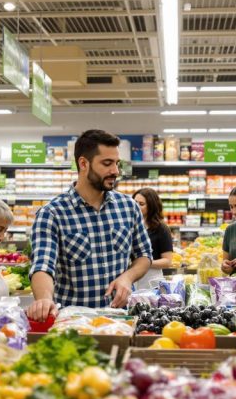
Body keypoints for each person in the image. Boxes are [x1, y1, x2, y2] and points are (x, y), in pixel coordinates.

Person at [27, 129, 152, 321]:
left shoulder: (128, 207)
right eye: (107, 163)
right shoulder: (52, 213)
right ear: (83, 163)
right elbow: (43, 266)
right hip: (74, 323)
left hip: (121, 319)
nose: (116, 171)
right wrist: (44, 299)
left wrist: (127, 277)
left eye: (117, 164)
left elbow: (144, 255)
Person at [133, 187, 174, 289]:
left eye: (141, 204)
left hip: (151, 279)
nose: (136, 206)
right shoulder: (128, 225)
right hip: (130, 278)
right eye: (134, 202)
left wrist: (143, 263)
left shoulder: (161, 228)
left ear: (151, 206)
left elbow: (167, 261)